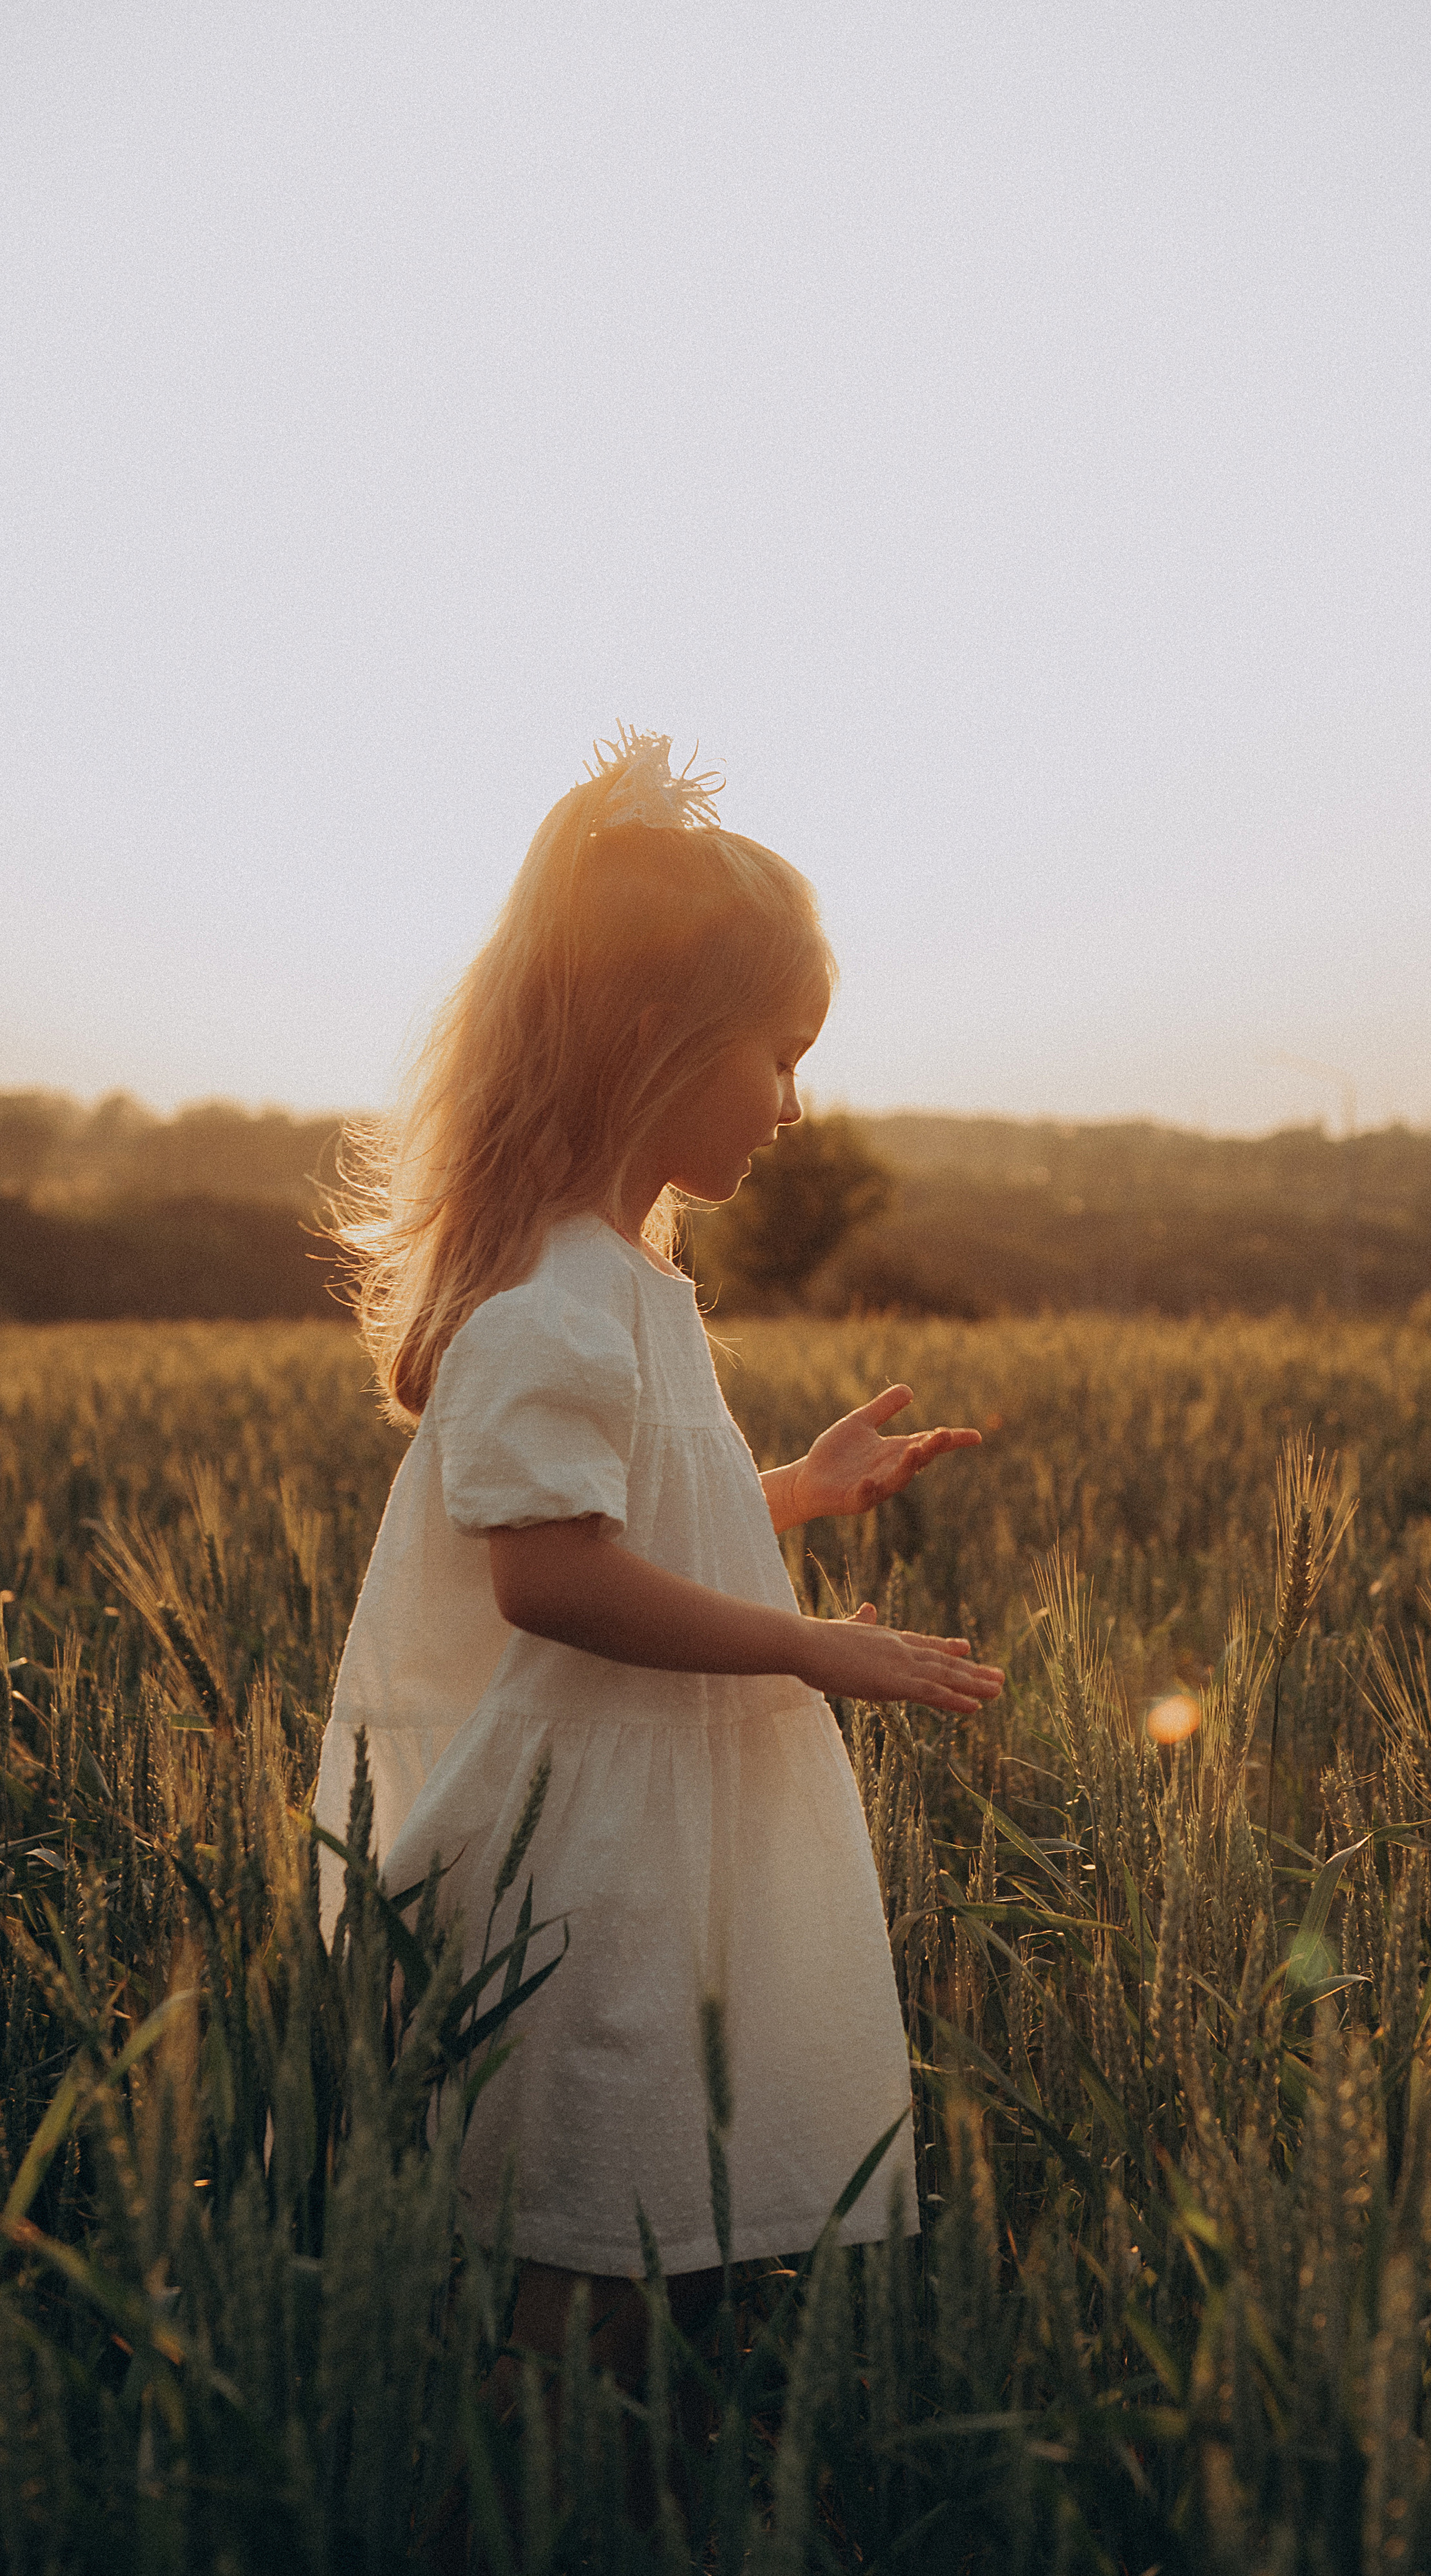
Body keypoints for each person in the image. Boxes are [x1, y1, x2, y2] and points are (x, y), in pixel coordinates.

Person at [312, 729, 1002, 2387]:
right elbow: (549, 1581)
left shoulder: (619, 1283)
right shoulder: (547, 1300)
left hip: (638, 1843)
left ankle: (577, 2511)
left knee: (633, 2252)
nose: (790, 1100)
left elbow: (612, 1528)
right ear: (649, 1037)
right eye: (775, 1052)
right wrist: (811, 1645)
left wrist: (788, 1497)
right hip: (576, 1872)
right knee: (576, 2258)